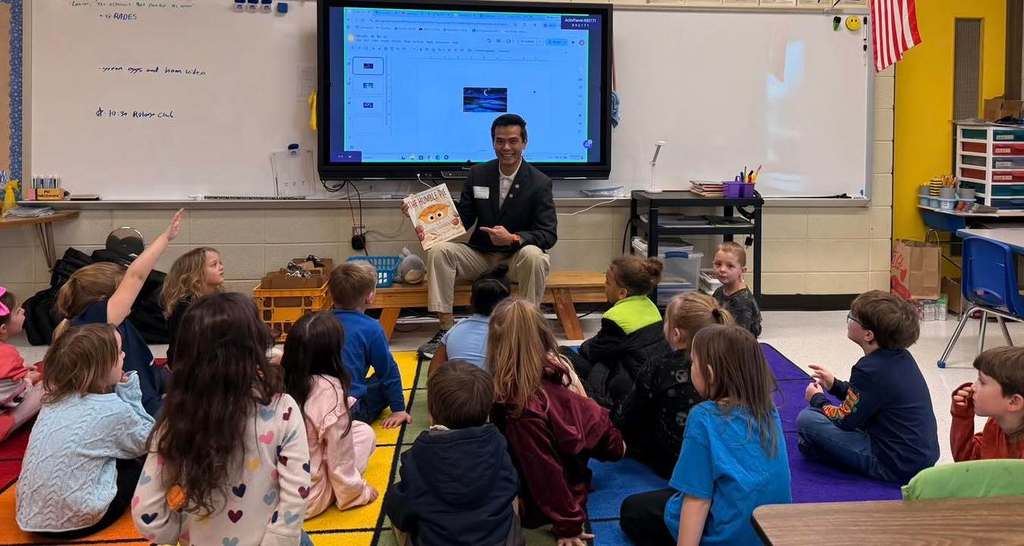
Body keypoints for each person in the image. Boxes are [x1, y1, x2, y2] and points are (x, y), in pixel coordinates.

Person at [131, 293, 313, 546]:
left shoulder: (176, 418)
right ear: (256, 348)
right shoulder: (283, 408)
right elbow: (297, 492)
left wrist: (181, 533)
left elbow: (147, 514)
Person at [619, 325, 791, 546]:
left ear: (708, 373)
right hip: (770, 532)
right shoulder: (768, 409)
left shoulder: (703, 417)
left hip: (726, 535)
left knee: (633, 510)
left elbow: (697, 501)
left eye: (693, 363)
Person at [402, 114, 557, 354]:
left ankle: (528, 329)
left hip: (516, 258)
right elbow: (462, 220)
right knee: (439, 251)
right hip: (481, 255)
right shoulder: (478, 174)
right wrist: (419, 215)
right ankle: (445, 328)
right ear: (493, 142)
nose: (506, 147)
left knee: (536, 256)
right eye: (500, 141)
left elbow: (548, 234)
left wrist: (514, 238)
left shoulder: (540, 182)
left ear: (525, 143)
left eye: (513, 141)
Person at [488, 298, 624, 546]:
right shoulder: (552, 371)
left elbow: (545, 471)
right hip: (576, 449)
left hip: (550, 488)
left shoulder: (521, 406)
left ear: (495, 343)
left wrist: (569, 524)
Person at [17, 324, 153, 538]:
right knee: (138, 465)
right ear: (102, 367)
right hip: (80, 520)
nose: (124, 354)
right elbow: (150, 440)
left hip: (30, 517)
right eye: (119, 352)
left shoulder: (52, 401)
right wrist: (130, 392)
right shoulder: (111, 409)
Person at [797, 290, 939, 484]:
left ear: (868, 334)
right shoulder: (901, 357)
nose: (848, 319)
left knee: (807, 419)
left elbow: (844, 419)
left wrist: (817, 399)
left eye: (852, 317)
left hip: (894, 465)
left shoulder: (868, 369)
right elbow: (867, 398)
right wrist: (835, 385)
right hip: (918, 459)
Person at [56, 209, 184, 416]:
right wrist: (166, 237)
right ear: (103, 301)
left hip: (151, 380)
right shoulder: (96, 322)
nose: (133, 295)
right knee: (203, 414)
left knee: (206, 379)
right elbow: (136, 276)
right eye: (123, 292)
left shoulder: (110, 320)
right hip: (142, 407)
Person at [384, 360, 523, 546]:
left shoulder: (420, 454)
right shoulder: (498, 443)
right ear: (487, 412)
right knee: (510, 500)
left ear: (431, 413)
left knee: (396, 500)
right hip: (499, 540)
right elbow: (511, 485)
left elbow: (406, 506)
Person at [615, 292, 733, 478]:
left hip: (674, 462)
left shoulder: (661, 365)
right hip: (725, 456)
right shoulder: (732, 359)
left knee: (619, 384)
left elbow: (627, 418)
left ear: (676, 334)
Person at [281, 311, 378, 517]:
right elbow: (340, 463)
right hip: (308, 498)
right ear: (333, 353)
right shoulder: (329, 391)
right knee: (365, 436)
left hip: (274, 493)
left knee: (360, 430)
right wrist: (359, 493)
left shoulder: (278, 378)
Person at [566, 256, 671, 413]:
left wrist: (583, 346)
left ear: (622, 293)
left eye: (608, 282)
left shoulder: (616, 317)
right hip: (653, 381)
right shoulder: (651, 306)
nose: (604, 286)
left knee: (563, 354)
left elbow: (593, 351)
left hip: (627, 390)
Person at [329, 261, 410, 427]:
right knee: (383, 381)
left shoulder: (319, 322)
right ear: (370, 297)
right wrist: (398, 409)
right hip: (350, 412)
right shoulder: (372, 328)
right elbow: (387, 371)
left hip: (315, 407)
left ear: (331, 294)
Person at [428, 264, 511, 375]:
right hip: (489, 390)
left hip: (455, 390)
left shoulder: (454, 329)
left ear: (470, 300)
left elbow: (433, 375)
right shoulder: (512, 333)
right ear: (508, 303)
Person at [950, 346, 1024, 461]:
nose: (973, 387)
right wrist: (962, 417)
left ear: (1014, 402)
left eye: (982, 382)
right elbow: (968, 463)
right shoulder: (995, 423)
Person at [161, 246, 224, 367]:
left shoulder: (218, 298)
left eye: (220, 263)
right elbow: (186, 348)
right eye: (214, 264)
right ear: (196, 274)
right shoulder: (185, 308)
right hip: (190, 369)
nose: (221, 267)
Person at [0, 286, 42, 442]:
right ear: (3, 328)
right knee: (46, 388)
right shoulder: (8, 354)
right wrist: (28, 380)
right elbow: (14, 395)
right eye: (18, 311)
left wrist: (21, 371)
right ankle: (12, 422)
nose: (23, 311)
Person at [711, 241, 761, 337]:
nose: (722, 269)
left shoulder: (742, 301)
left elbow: (740, 336)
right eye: (718, 264)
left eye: (730, 266)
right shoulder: (720, 291)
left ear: (742, 271)